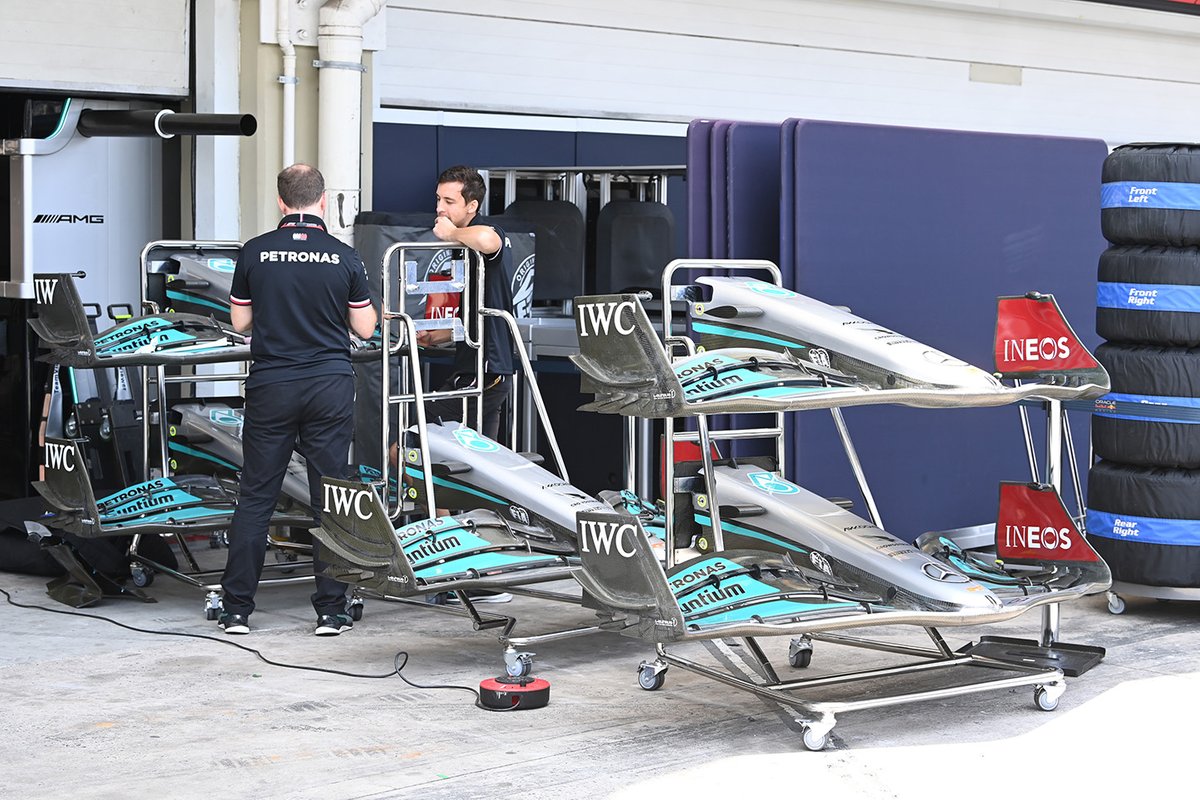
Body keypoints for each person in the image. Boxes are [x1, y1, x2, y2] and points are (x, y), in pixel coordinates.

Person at [218, 164, 377, 636]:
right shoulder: (345, 257)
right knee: (331, 497)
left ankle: (236, 611)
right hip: (328, 385)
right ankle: (331, 610)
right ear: (322, 201)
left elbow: (241, 323)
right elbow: (365, 328)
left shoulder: (254, 253)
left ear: (281, 202)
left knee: (256, 496)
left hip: (272, 384)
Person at [417, 165, 516, 442]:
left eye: (449, 202)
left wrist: (449, 233)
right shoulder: (462, 245)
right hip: (474, 366)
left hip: (485, 371)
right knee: (481, 458)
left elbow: (489, 239)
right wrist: (442, 335)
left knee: (411, 436)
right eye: (438, 199)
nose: (440, 208)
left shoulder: (484, 231)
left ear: (472, 205)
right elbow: (477, 313)